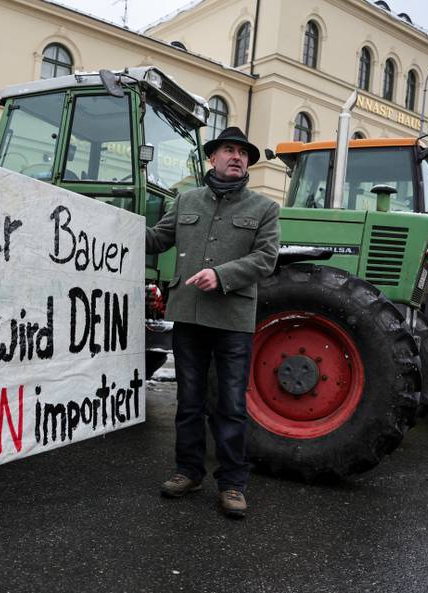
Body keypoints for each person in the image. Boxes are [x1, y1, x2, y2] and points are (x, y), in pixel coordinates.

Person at [146, 126, 280, 518]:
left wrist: (222, 276)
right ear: (213, 157)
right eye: (229, 150)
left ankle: (233, 483)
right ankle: (188, 471)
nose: (236, 156)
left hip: (232, 320)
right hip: (188, 315)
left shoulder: (264, 208)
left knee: (230, 403)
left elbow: (266, 258)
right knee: (188, 401)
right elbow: (157, 239)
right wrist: (112, 224)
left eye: (243, 152)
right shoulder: (186, 200)